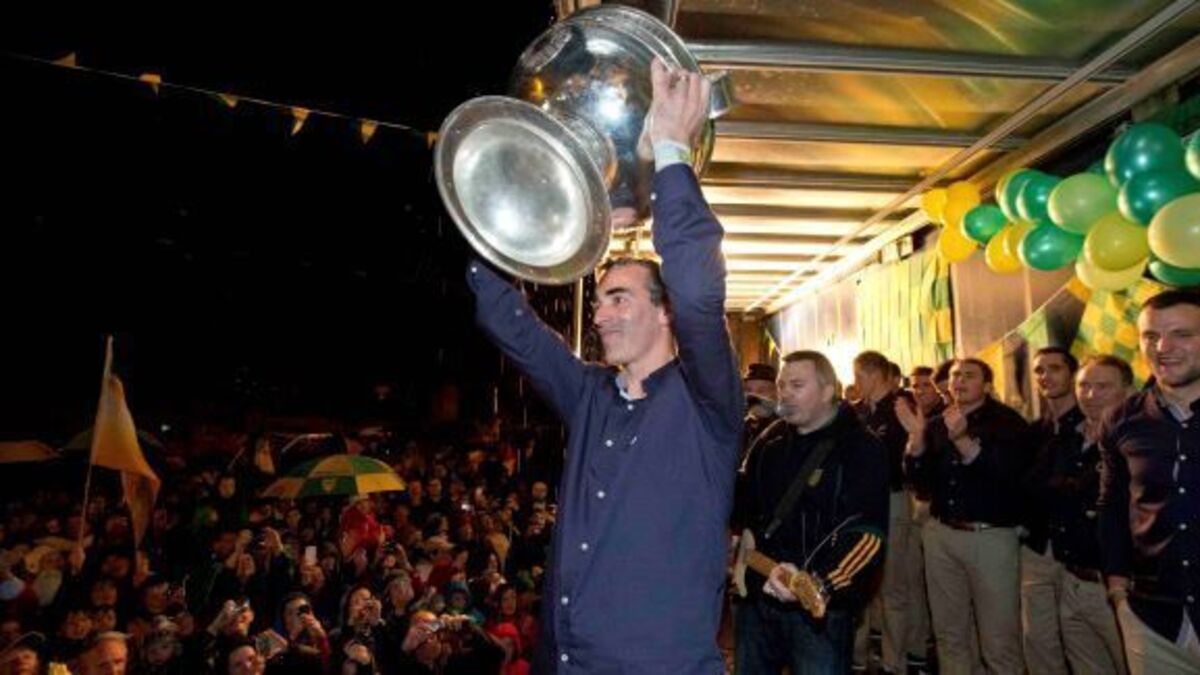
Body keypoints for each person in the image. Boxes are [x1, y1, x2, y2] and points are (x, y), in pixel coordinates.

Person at [467, 57, 741, 673]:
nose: (599, 314)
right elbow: (504, 317)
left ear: (665, 313)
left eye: (619, 298)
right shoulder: (590, 394)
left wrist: (670, 150)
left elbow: (697, 288)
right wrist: (522, 214)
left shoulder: (707, 403)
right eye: (599, 300)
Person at [733, 350, 888, 673]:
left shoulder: (861, 448)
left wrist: (819, 584)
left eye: (797, 385)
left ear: (828, 391)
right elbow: (746, 499)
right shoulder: (771, 439)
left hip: (819, 609)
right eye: (782, 385)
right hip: (760, 597)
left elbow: (867, 535)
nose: (785, 393)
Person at [898, 358, 1031, 675]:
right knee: (950, 634)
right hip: (941, 534)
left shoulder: (1008, 423)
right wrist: (916, 444)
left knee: (999, 640)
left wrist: (962, 439)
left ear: (987, 385)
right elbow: (922, 486)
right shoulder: (936, 424)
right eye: (956, 376)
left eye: (969, 376)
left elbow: (1008, 479)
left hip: (990, 538)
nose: (959, 381)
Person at [1100, 290, 1200, 674]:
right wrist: (1117, 589)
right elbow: (1113, 505)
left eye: (1182, 334)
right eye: (1151, 336)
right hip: (1153, 621)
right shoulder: (1121, 419)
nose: (1163, 348)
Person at [852, 351, 926, 674]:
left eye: (858, 376)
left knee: (894, 585)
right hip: (859, 504)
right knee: (860, 581)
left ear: (873, 374)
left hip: (891, 499)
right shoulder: (857, 411)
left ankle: (895, 661)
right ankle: (858, 655)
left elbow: (905, 461)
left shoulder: (900, 410)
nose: (855, 383)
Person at [1020, 346, 1079, 675]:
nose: (1045, 376)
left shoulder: (1092, 426)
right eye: (1039, 370)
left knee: (1084, 647)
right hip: (1037, 549)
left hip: (1081, 556)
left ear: (1072, 374)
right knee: (1038, 641)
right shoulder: (1033, 432)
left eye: (1055, 368)